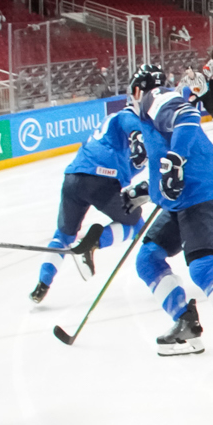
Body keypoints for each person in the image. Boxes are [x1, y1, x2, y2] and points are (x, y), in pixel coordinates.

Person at [128, 65, 213, 366]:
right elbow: (166, 168)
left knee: (201, 265)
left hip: (201, 191)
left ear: (137, 90)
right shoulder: (150, 113)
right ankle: (186, 323)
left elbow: (187, 116)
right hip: (184, 199)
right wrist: (143, 190)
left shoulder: (153, 97)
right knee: (148, 258)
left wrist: (175, 161)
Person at [29, 100, 148, 304]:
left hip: (73, 178)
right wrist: (139, 136)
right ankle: (93, 244)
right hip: (100, 180)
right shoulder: (126, 116)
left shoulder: (110, 131)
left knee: (63, 236)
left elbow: (132, 168)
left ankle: (42, 284)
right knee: (136, 224)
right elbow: (129, 120)